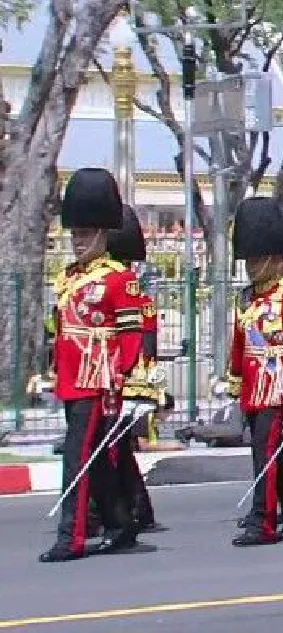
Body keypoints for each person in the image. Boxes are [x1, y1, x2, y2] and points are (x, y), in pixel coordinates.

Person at [41, 168, 142, 562]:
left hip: (97, 381)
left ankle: (72, 536)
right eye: (75, 234)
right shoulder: (69, 278)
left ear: (102, 234)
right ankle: (119, 524)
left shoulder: (118, 279)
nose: (78, 240)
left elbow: (130, 334)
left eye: (85, 233)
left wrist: (120, 376)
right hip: (71, 379)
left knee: (77, 458)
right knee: (96, 459)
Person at [225, 198, 283, 546]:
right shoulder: (247, 298)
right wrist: (235, 379)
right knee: (270, 451)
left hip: (280, 386)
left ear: (278, 258)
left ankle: (263, 520)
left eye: (258, 258)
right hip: (254, 386)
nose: (251, 266)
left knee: (265, 451)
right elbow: (239, 344)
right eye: (249, 259)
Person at [107, 204, 161, 533]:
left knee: (116, 445)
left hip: (126, 379)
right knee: (117, 446)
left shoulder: (137, 297)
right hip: (104, 377)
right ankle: (138, 508)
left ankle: (123, 509)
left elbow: (145, 346)